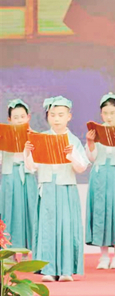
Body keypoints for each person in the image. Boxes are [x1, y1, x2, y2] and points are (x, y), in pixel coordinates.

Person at [24, 96, 90, 282]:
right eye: (52, 115)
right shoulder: (42, 138)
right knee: (47, 228)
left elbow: (81, 167)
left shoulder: (73, 140)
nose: (57, 119)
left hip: (66, 188)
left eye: (61, 115)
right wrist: (28, 152)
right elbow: (32, 167)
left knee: (66, 227)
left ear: (69, 116)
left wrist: (71, 155)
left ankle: (66, 270)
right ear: (48, 116)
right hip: (47, 188)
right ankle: (48, 269)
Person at [85, 93, 115, 270]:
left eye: (112, 113)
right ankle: (103, 256)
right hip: (100, 176)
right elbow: (91, 158)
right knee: (101, 213)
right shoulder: (97, 130)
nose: (109, 117)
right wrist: (90, 143)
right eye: (105, 113)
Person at [0, 99, 38, 261]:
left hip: (27, 176)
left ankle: (27, 252)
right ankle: (8, 253)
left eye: (22, 116)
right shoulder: (3, 135)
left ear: (28, 117)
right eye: (16, 117)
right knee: (9, 212)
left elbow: (38, 161)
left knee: (29, 212)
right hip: (9, 176)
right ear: (9, 119)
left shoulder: (34, 136)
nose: (19, 120)